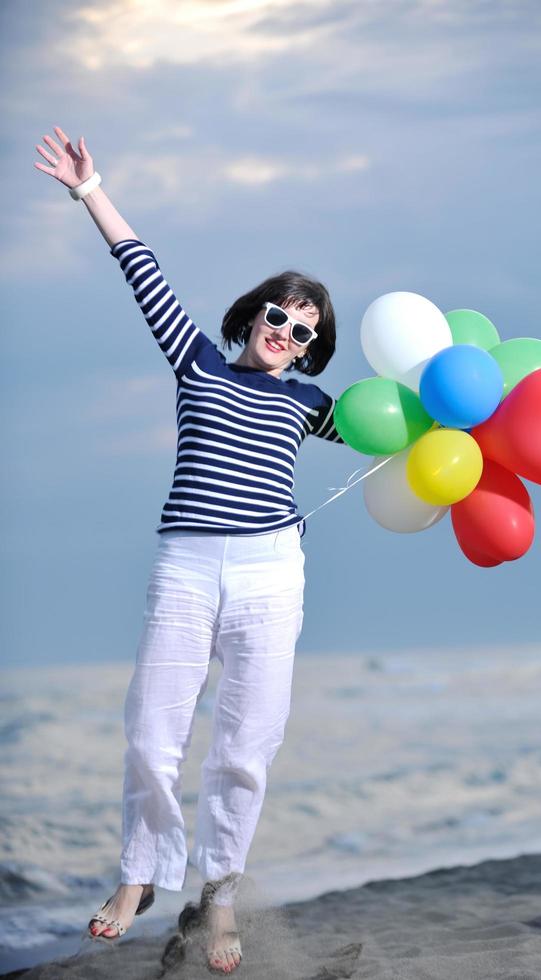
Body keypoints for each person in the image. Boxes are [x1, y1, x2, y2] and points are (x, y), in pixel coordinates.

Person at [34, 126, 345, 976]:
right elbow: (144, 274)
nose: (286, 332)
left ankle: (217, 898)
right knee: (149, 733)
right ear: (253, 316)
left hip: (270, 573)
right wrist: (89, 186)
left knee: (245, 749)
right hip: (186, 565)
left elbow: (407, 430)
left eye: (304, 330)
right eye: (278, 315)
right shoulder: (198, 361)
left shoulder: (316, 404)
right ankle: (139, 875)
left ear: (314, 349)